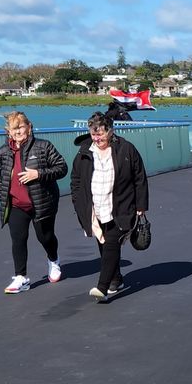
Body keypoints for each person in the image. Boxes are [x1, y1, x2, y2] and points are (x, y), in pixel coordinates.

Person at [70, 112, 149, 302]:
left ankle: (102, 287)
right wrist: (78, 200)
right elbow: (76, 179)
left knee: (111, 242)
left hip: (120, 205)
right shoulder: (84, 151)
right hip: (95, 206)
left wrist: (141, 205)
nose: (97, 138)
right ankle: (116, 278)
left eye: (101, 134)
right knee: (103, 243)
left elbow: (139, 177)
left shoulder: (126, 149)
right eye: (93, 134)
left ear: (111, 131)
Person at [0, 111, 68, 293]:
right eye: (14, 128)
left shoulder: (43, 147)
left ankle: (53, 260)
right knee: (18, 239)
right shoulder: (2, 153)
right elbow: (0, 177)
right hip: (16, 205)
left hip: (42, 203)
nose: (18, 131)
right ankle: (21, 277)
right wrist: (5, 200)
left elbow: (62, 167)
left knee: (45, 237)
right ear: (8, 132)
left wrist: (39, 174)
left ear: (29, 127)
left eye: (21, 126)